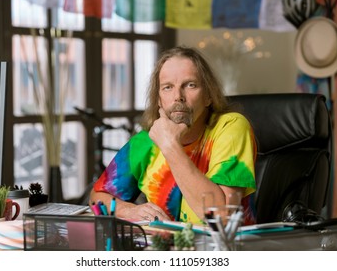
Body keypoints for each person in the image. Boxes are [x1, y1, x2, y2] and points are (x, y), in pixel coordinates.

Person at [90, 45, 257, 224]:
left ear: (208, 96)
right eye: (167, 87)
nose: (178, 96)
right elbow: (96, 198)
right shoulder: (146, 142)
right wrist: (128, 210)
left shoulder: (231, 127)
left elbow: (222, 218)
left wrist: (170, 145)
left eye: (190, 85)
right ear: (159, 99)